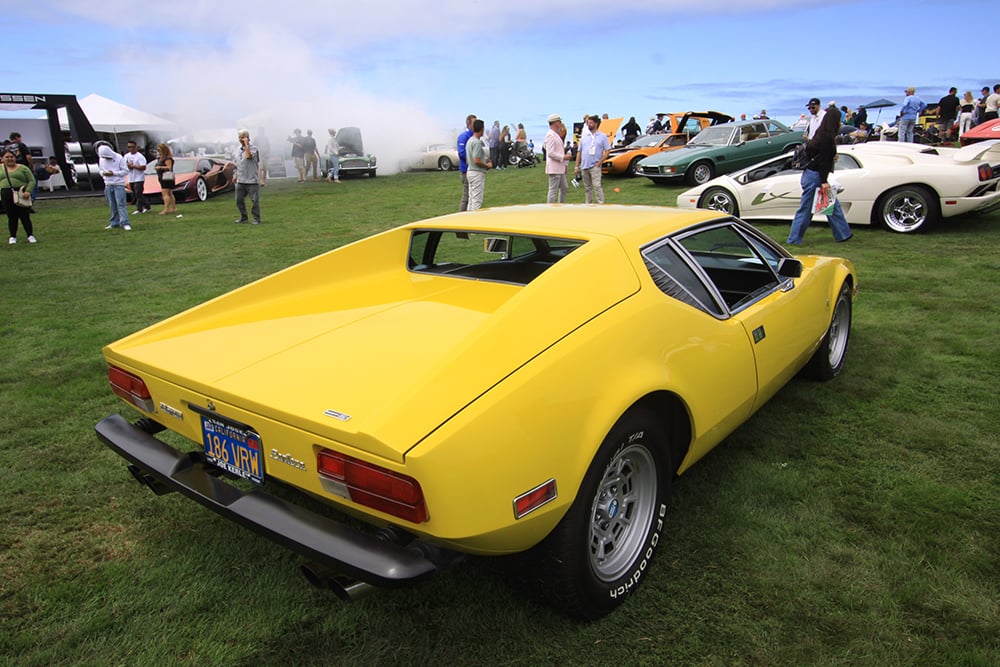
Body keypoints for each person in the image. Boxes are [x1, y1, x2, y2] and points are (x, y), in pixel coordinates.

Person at [786, 101, 853, 245]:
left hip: (810, 174)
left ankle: (843, 234)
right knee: (807, 209)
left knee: (831, 205)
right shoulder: (827, 137)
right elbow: (822, 161)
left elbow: (817, 152)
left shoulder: (820, 133)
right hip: (816, 176)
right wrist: (823, 181)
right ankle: (794, 239)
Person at [1, 148, 36, 244]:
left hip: (21, 194)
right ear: (2, 159)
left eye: (11, 157)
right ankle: (13, 236)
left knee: (24, 216)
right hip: (6, 196)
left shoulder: (23, 168)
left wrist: (28, 191)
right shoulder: (0, 168)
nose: (9, 159)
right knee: (11, 217)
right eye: (7, 157)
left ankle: (30, 235)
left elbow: (32, 180)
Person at [574, 115, 610, 204]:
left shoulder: (602, 136)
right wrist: (576, 166)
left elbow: (607, 151)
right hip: (584, 165)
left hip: (595, 166)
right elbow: (579, 152)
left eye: (590, 123)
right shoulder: (584, 136)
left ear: (596, 124)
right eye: (588, 123)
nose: (588, 124)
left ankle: (601, 204)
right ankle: (589, 204)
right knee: (587, 187)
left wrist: (600, 162)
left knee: (597, 186)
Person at [98, 144, 131, 231]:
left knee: (121, 204)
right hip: (108, 184)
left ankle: (125, 222)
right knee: (112, 204)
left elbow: (125, 171)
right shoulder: (101, 159)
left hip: (118, 184)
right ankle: (114, 222)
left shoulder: (119, 158)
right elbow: (100, 170)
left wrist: (114, 173)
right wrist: (103, 173)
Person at [233, 129, 261, 225]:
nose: (241, 140)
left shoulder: (254, 149)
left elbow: (248, 156)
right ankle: (243, 217)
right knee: (239, 200)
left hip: (252, 180)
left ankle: (256, 218)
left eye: (243, 137)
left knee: (254, 201)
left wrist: (246, 144)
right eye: (240, 137)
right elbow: (237, 164)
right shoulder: (237, 150)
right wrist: (235, 175)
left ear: (248, 138)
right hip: (241, 179)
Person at [465, 119, 491, 211]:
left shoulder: (469, 141)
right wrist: (487, 166)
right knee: (477, 201)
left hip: (470, 171)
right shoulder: (476, 142)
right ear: (482, 129)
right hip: (476, 173)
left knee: (471, 199)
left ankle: (468, 220)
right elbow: (476, 160)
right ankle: (473, 221)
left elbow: (468, 161)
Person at [544, 114, 570, 204]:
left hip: (559, 168)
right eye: (559, 121)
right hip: (554, 168)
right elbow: (550, 153)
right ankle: (550, 209)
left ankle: (561, 205)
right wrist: (563, 157)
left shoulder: (555, 134)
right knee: (553, 190)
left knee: (564, 187)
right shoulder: (550, 135)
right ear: (555, 122)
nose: (560, 123)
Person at [124, 141, 150, 214]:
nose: (131, 149)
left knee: (138, 193)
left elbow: (143, 167)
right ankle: (147, 206)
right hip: (131, 177)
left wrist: (133, 166)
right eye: (129, 147)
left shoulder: (140, 156)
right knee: (135, 194)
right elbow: (124, 164)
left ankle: (139, 209)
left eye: (132, 147)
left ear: (136, 147)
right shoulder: (126, 156)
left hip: (139, 178)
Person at [457, 114, 476, 211]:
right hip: (466, 170)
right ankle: (461, 216)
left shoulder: (474, 136)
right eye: (474, 123)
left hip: (473, 170)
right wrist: (473, 161)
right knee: (466, 196)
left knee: (473, 196)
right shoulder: (463, 137)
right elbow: (461, 153)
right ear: (469, 124)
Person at [154, 143, 177, 215]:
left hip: (166, 177)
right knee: (169, 192)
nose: (158, 151)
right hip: (161, 176)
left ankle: (166, 208)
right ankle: (173, 207)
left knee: (165, 192)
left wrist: (160, 167)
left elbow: (169, 167)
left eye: (159, 150)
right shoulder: (160, 158)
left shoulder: (168, 158)